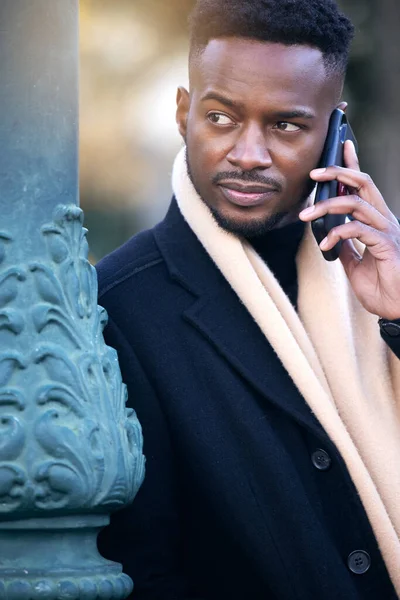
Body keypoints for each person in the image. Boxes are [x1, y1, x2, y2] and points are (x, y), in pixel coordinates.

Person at [96, 1, 400, 598]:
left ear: (335, 129)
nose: (248, 154)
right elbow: (143, 569)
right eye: (221, 117)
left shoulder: (380, 271)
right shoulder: (118, 305)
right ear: (184, 113)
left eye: (285, 125)